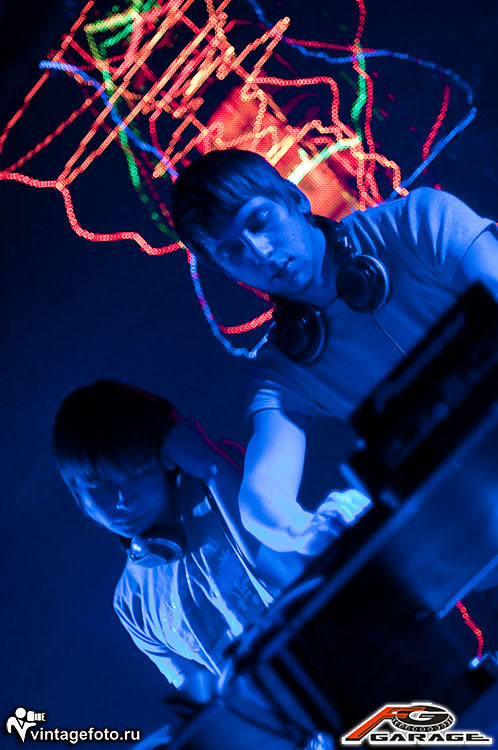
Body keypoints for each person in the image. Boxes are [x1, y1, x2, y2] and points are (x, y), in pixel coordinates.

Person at [171, 148, 498, 555]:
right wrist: (305, 531)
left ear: (296, 199)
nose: (260, 252)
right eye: (232, 251)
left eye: (260, 221)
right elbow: (261, 496)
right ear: (227, 273)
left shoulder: (419, 221)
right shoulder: (284, 369)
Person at [52, 379, 304, 704]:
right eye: (99, 487)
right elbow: (199, 695)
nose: (123, 499)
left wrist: (211, 466)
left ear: (166, 456)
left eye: (136, 473)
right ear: (79, 498)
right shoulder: (130, 603)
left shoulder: (219, 474)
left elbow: (290, 571)